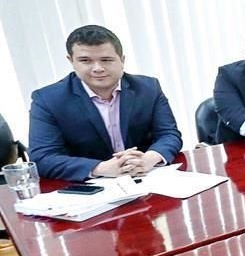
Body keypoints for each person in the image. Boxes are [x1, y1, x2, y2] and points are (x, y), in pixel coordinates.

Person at [29, 25, 182, 182]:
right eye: (85, 61)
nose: (98, 68)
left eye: (106, 60)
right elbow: (43, 158)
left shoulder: (148, 88)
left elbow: (169, 134)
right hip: (89, 188)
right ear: (71, 61)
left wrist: (149, 159)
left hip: (146, 178)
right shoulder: (48, 100)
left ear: (122, 60)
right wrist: (100, 168)